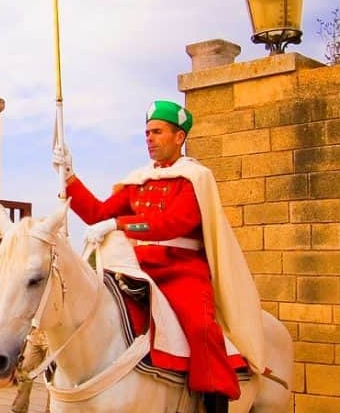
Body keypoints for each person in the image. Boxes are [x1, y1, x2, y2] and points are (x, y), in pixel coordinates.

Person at [53, 99, 264, 413]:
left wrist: (119, 223)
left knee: (201, 328)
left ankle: (214, 400)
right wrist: (70, 176)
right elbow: (97, 212)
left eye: (157, 132)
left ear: (179, 137)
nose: (149, 138)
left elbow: (172, 223)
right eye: (147, 132)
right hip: (139, 268)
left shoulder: (195, 177)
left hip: (182, 271)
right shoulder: (139, 181)